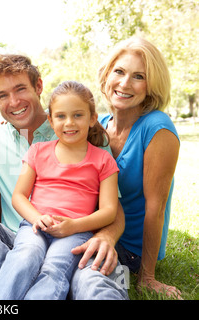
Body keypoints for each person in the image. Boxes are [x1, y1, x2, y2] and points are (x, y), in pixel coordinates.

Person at [0, 54, 129, 300]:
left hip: (75, 240)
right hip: (21, 240)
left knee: (94, 285)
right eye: (3, 95)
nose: (14, 101)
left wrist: (106, 237)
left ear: (38, 86)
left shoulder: (80, 132)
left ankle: (42, 289)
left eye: (20, 89)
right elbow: (1, 197)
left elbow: (113, 208)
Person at [0, 81, 119, 299]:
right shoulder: (38, 151)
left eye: (78, 115)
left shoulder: (102, 159)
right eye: (61, 116)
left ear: (92, 118)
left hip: (75, 231)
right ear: (50, 120)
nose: (69, 123)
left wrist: (73, 226)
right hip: (34, 225)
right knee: (24, 256)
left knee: (54, 268)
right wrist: (37, 219)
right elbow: (19, 196)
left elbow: (109, 211)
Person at [98, 37, 181, 298]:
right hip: (99, 230)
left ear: (151, 86)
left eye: (138, 76)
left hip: (131, 249)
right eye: (119, 71)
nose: (124, 83)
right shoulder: (99, 124)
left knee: (83, 273)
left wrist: (148, 277)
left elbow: (155, 209)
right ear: (107, 74)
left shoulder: (158, 128)